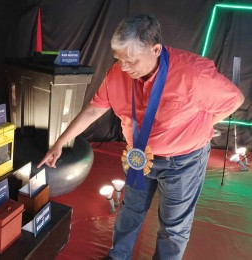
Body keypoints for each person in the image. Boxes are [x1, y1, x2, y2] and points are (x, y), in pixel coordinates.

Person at [37, 13, 244, 260]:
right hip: (139, 158)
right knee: (129, 211)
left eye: (131, 61)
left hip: (183, 162)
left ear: (156, 49)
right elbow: (94, 109)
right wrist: (60, 142)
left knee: (174, 225)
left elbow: (235, 100)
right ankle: (118, 256)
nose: (123, 68)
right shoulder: (118, 72)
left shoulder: (193, 73)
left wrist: (200, 124)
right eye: (119, 59)